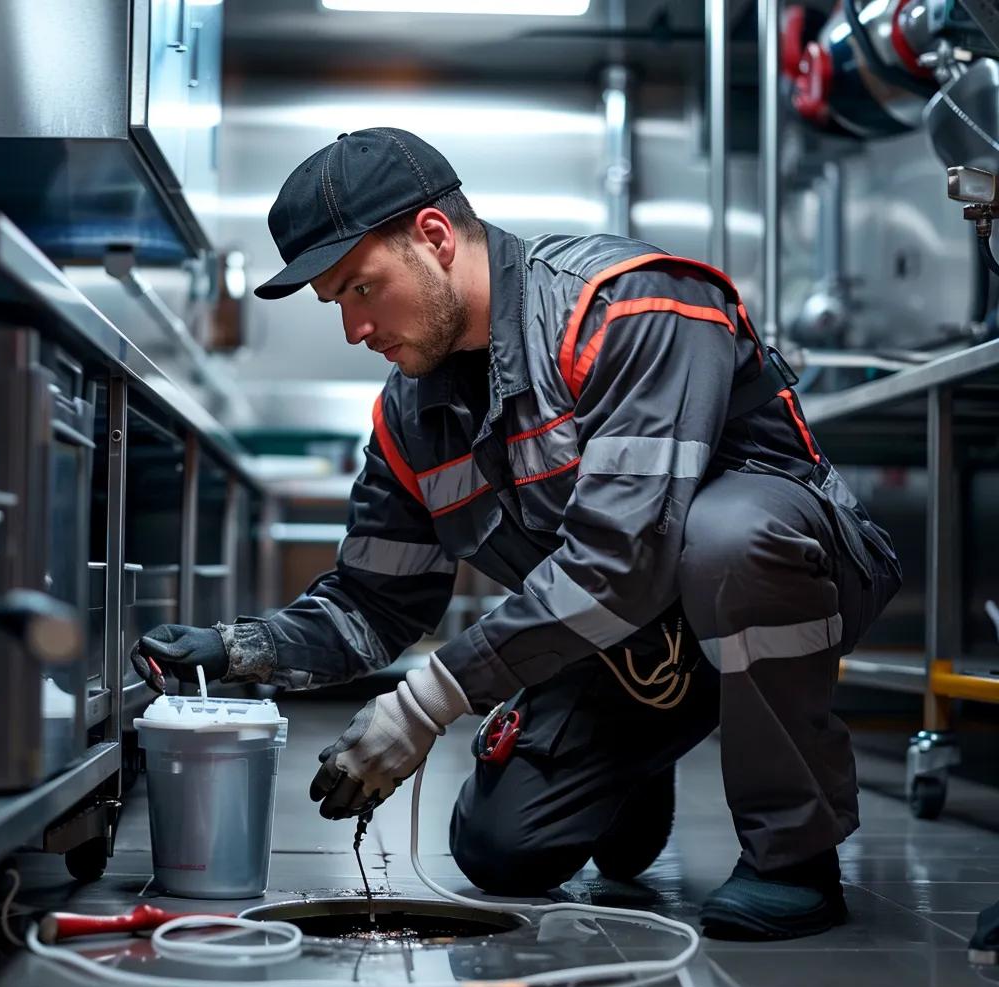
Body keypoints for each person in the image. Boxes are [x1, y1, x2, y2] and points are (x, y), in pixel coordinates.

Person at [131, 127, 902, 941]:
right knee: (502, 848)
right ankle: (638, 756)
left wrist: (428, 702)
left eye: (362, 288)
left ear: (432, 235)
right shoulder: (412, 417)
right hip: (627, 644)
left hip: (780, 577)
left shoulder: (626, 308)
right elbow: (375, 601)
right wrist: (239, 648)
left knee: (728, 536)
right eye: (337, 305)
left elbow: (623, 563)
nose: (355, 330)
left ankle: (794, 854)